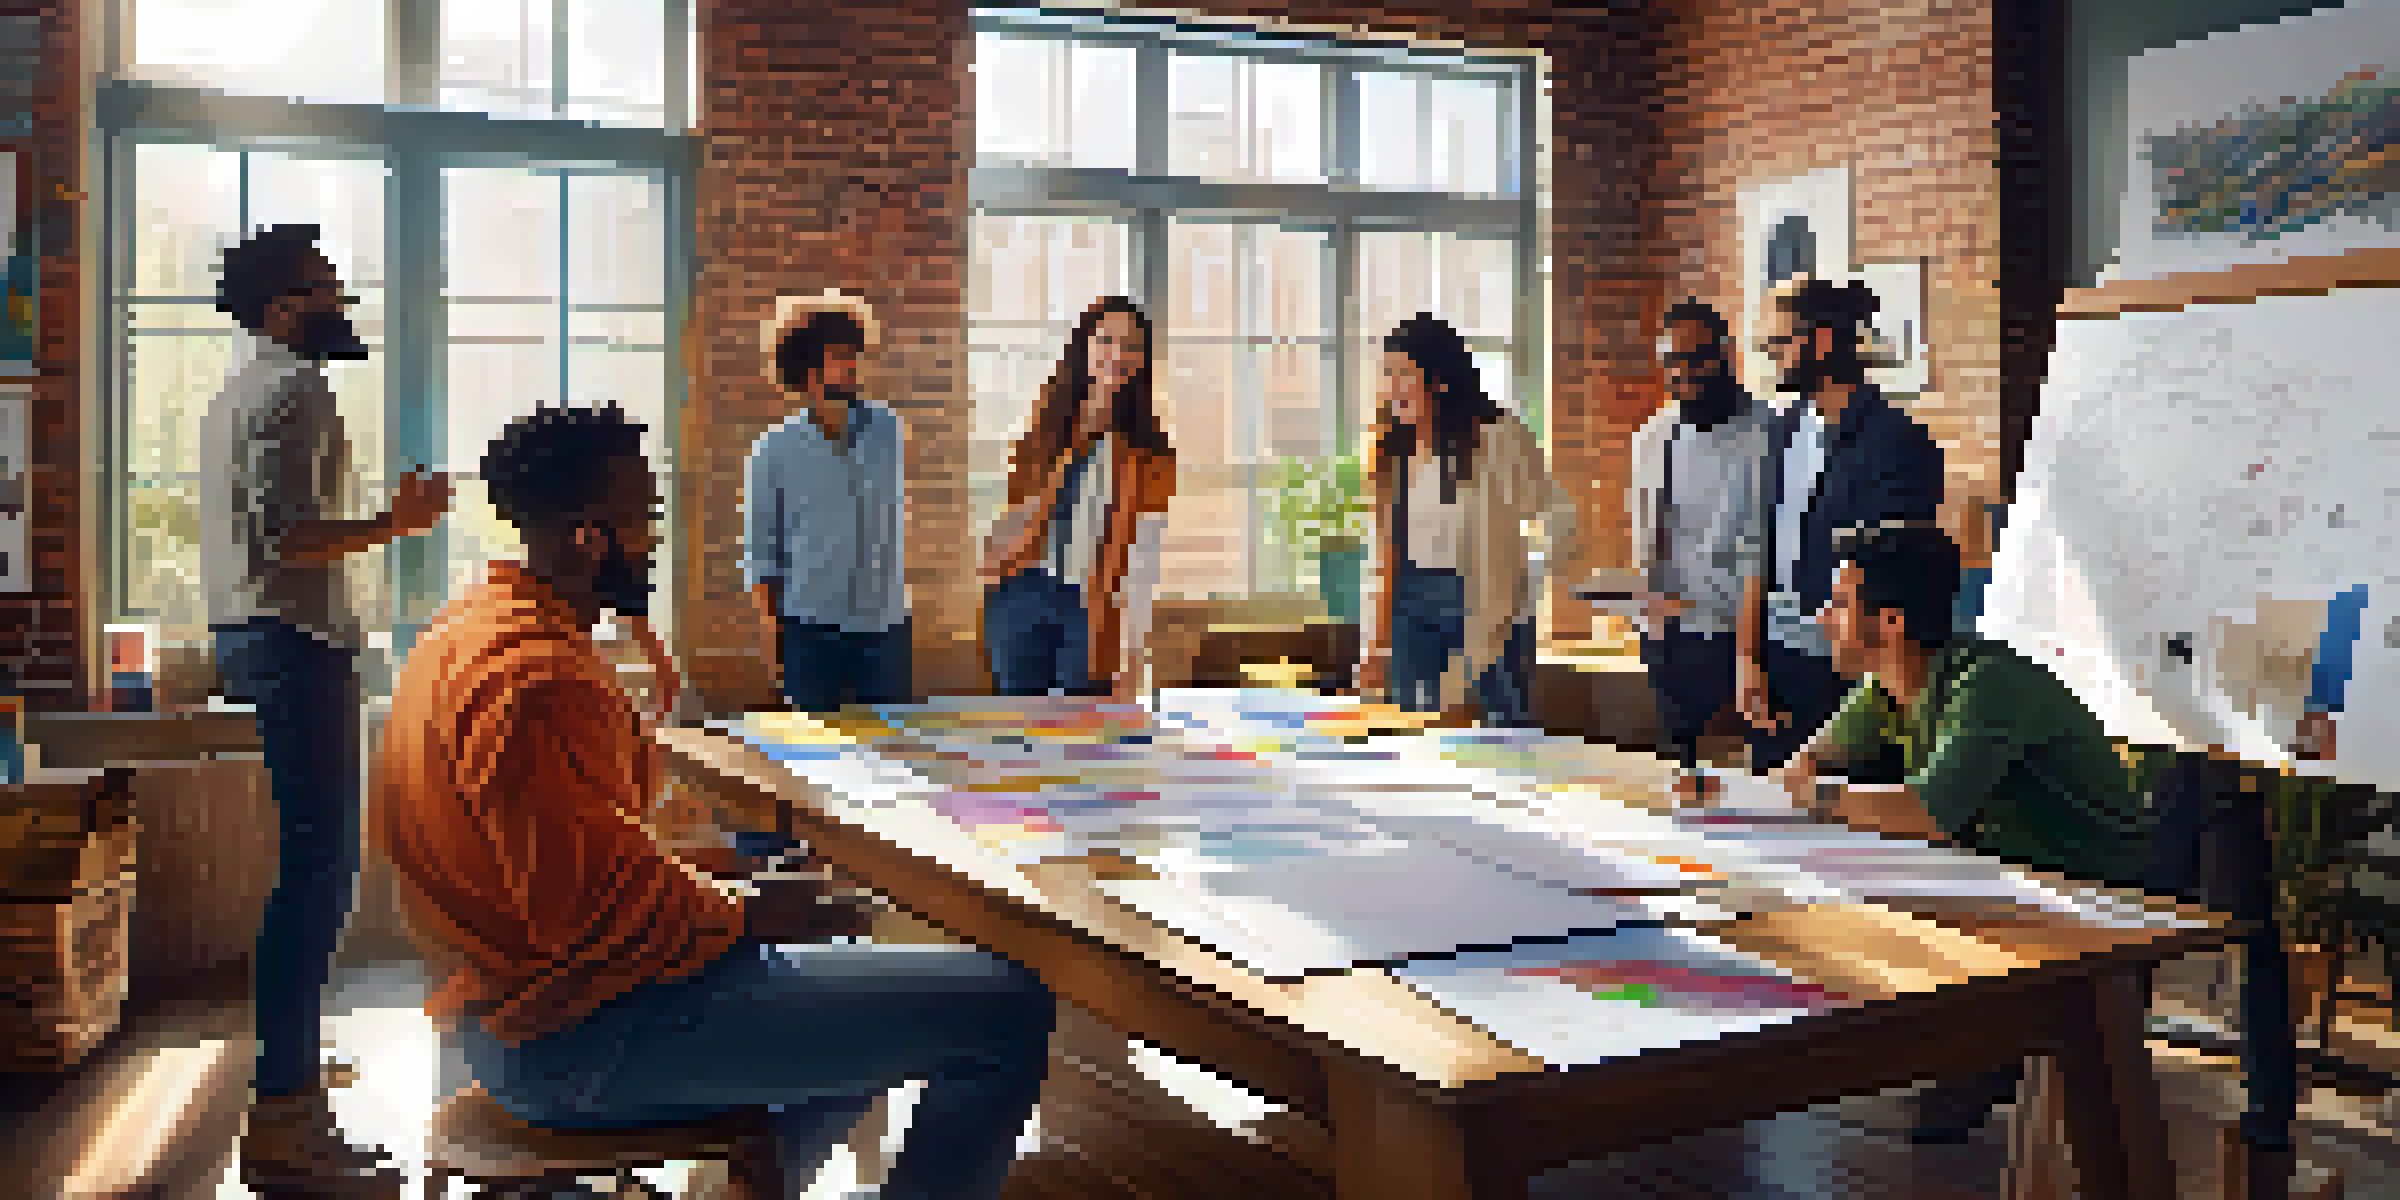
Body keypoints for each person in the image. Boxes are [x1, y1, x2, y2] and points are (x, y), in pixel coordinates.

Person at [375, 406, 1056, 1200]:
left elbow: (565, 861)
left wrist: (731, 878)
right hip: (575, 1040)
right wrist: (754, 911)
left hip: (517, 1013)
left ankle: (745, 1189)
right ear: (591, 538)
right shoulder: (540, 681)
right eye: (647, 515)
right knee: (1006, 1006)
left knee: (846, 974)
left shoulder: (464, 628)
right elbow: (588, 912)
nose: (657, 538)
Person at [200, 223, 452, 1196]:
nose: (339, 302)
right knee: (321, 872)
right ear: (280, 309)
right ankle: (285, 1115)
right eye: (323, 290)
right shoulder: (291, 388)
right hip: (294, 643)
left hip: (259, 637)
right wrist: (400, 522)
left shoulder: (240, 384)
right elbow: (288, 539)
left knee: (313, 868)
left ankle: (291, 1066)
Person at [1773, 521, 2149, 1143]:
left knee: (1944, 1105)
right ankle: (1975, 1057)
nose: (1822, 616)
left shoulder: (1986, 686)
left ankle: (1992, 1057)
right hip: (2000, 883)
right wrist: (1800, 787)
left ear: (1889, 622)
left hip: (2096, 900)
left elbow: (1923, 814)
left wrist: (1819, 796)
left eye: (1839, 603)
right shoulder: (1887, 690)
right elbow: (1804, 768)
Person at [1737, 276, 1944, 768]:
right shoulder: (1778, 433)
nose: (1771, 356)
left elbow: (1896, 582)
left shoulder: (1897, 443)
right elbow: (1757, 551)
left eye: (1778, 343)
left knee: (1849, 826)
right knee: (1773, 816)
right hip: (1776, 666)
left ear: (1821, 340)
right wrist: (1747, 659)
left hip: (1853, 678)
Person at [1359, 314, 1577, 726]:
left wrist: (1528, 584)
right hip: (1413, 605)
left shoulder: (1498, 435)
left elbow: (1557, 515)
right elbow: (1384, 552)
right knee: (1416, 734)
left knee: (1501, 737)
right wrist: (1376, 645)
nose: (1392, 389)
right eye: (1387, 375)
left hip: (1484, 602)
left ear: (1440, 379)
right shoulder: (1391, 448)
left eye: (1404, 374)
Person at [980, 296, 1176, 700]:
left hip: (1090, 606)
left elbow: (1144, 554)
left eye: (1131, 346)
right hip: (1019, 593)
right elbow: (1015, 510)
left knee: (1086, 733)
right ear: (1084, 348)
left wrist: (1133, 656)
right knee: (1019, 732)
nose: (1117, 354)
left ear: (1142, 361)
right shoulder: (1047, 425)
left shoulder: (1151, 450)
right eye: (1106, 341)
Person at [746, 295, 910, 715]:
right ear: (808, 366)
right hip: (810, 630)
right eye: (840, 356)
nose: (852, 366)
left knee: (894, 752)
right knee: (814, 754)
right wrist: (772, 633)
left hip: (884, 628)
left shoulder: (887, 430)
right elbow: (763, 550)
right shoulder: (774, 447)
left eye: (854, 355)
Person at [1629, 299, 1770, 774]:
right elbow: (1647, 532)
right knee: (1682, 774)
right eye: (1672, 362)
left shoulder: (1770, 434)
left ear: (1726, 355)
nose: (1683, 374)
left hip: (1746, 635)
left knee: (1759, 773)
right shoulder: (1653, 437)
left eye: (1695, 360)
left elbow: (1766, 548)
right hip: (1670, 636)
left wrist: (1749, 651)